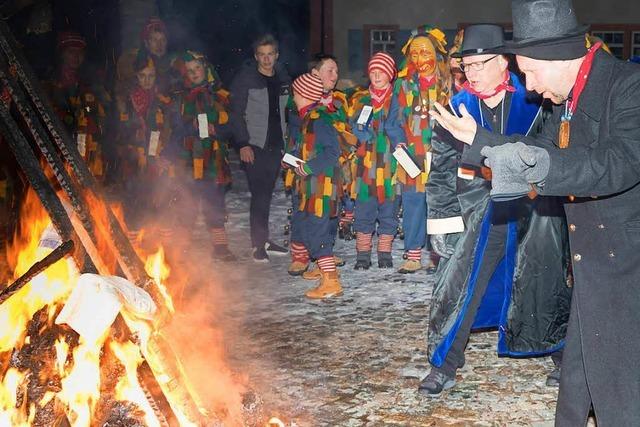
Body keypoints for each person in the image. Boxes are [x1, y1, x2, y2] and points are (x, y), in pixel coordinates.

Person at [429, 0, 640, 424]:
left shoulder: (628, 84)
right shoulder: (564, 97)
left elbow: (619, 161)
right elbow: (542, 147)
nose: (527, 84)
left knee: (620, 389)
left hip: (624, 260)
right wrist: (483, 139)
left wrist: (543, 168)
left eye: (528, 71)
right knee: (579, 377)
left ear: (556, 56)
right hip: (593, 259)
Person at [418, 24, 571, 396]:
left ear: (504, 62)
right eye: (465, 67)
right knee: (462, 286)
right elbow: (439, 175)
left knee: (542, 282)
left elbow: (548, 154)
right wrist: (442, 227)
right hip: (480, 216)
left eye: (480, 64)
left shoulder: (537, 100)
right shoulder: (456, 108)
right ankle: (445, 363)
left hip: (535, 214)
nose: (471, 74)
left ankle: (563, 358)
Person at [392, 25, 450, 274]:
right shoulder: (403, 86)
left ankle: (442, 254)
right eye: (414, 54)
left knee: (441, 203)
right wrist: (399, 141)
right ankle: (413, 253)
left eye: (424, 52)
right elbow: (392, 122)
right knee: (414, 203)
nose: (418, 59)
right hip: (412, 156)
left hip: (441, 154)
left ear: (436, 54)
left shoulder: (449, 84)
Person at [230, 34, 290, 262]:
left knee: (267, 194)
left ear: (276, 55)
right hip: (255, 146)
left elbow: (288, 112)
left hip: (277, 146)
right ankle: (257, 244)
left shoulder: (283, 79)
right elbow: (235, 114)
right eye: (262, 55)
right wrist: (242, 144)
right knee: (260, 195)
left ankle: (265, 240)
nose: (266, 60)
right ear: (256, 56)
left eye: (270, 54)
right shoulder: (246, 79)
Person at [173, 50, 237, 261]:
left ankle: (220, 247)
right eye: (189, 71)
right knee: (187, 203)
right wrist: (188, 127)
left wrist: (217, 128)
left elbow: (232, 126)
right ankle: (181, 248)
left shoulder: (221, 95)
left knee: (214, 202)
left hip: (214, 161)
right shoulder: (182, 99)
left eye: (197, 68)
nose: (194, 73)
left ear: (206, 68)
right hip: (190, 159)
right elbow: (174, 128)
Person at [286, 73, 343, 299]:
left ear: (304, 95)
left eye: (295, 93)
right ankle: (322, 268)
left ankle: (331, 281)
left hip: (322, 187)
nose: (293, 97)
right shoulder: (309, 118)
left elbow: (332, 153)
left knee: (316, 230)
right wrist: (291, 158)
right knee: (316, 226)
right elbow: (307, 149)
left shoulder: (318, 120)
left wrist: (308, 168)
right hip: (313, 186)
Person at [348, 52, 404, 269]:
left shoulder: (397, 100)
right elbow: (355, 126)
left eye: (381, 71)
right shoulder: (362, 99)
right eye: (373, 71)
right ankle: (363, 253)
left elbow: (404, 127)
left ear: (390, 74)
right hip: (366, 165)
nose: (377, 75)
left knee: (389, 208)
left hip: (390, 164)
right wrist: (362, 134)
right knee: (364, 208)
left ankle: (384, 251)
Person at [117, 53, 174, 244]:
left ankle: (163, 251)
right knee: (134, 203)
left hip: (158, 160)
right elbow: (116, 131)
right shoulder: (125, 100)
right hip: (132, 161)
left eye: (151, 75)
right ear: (136, 76)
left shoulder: (163, 101)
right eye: (142, 75)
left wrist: (165, 155)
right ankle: (132, 249)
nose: (147, 80)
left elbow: (172, 130)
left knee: (161, 202)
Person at [49, 31, 110, 181]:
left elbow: (101, 116)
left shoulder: (87, 85)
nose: (76, 57)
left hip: (88, 150)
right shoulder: (51, 84)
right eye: (71, 52)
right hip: (61, 151)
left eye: (80, 52)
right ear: (62, 53)